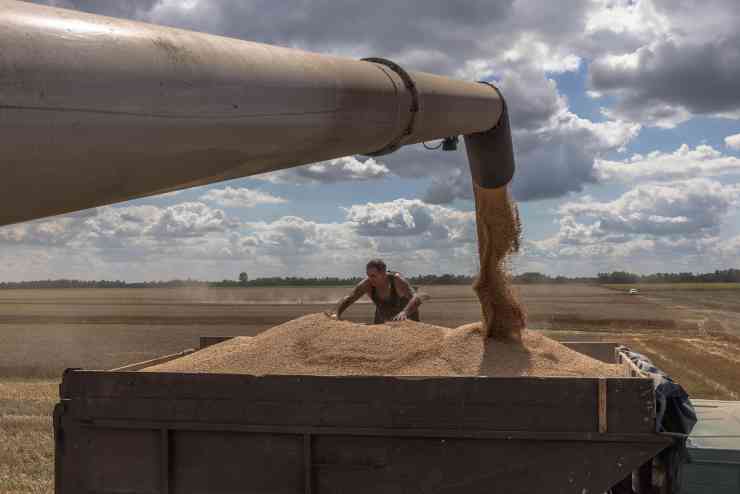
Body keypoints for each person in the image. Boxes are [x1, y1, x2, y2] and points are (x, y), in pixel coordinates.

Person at [331, 259, 424, 323]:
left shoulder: (396, 280)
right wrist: (336, 313)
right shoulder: (367, 284)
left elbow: (417, 298)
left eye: (373, 276)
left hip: (406, 320)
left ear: (383, 273)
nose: (370, 279)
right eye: (368, 275)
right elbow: (349, 298)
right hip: (384, 319)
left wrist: (405, 312)